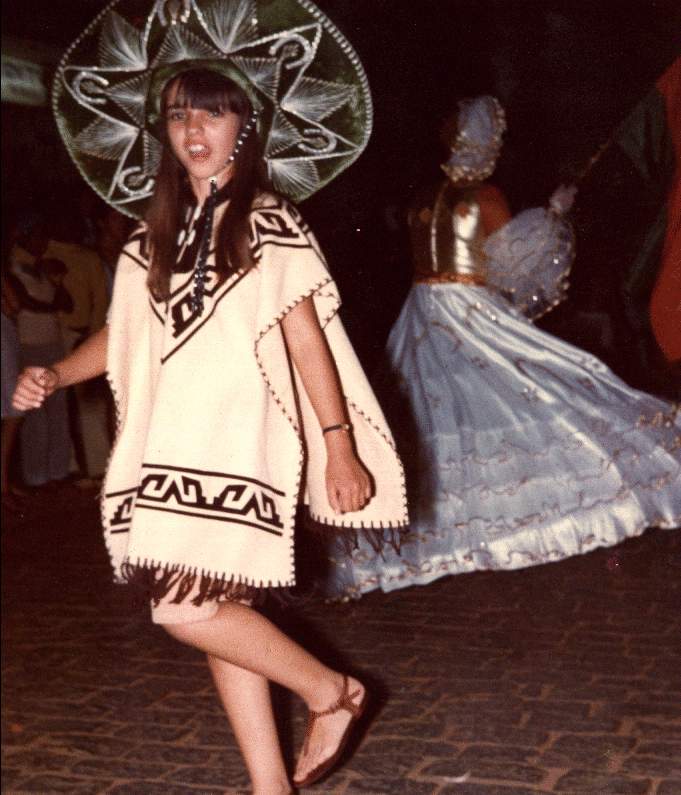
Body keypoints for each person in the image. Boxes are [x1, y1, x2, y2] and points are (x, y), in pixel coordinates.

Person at [14, 3, 406, 792]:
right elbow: (124, 340)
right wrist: (57, 373)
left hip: (240, 443)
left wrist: (338, 444)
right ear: (161, 129)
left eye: (215, 112)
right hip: (171, 446)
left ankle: (331, 690)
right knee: (224, 614)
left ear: (244, 129)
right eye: (179, 113)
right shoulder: (144, 238)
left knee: (183, 609)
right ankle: (269, 786)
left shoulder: (268, 221)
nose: (196, 129)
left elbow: (307, 341)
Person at [325, 96, 680, 600]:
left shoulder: (422, 198)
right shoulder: (486, 197)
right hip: (468, 308)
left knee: (436, 413)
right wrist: (552, 222)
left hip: (422, 310)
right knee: (535, 389)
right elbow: (515, 274)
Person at [9, 216, 73, 488]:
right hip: (29, 347)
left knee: (58, 412)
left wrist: (57, 282)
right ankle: (36, 477)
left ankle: (58, 473)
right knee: (36, 415)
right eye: (37, 236)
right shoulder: (13, 268)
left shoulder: (43, 270)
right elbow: (25, 304)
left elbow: (66, 303)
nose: (43, 242)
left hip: (53, 344)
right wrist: (51, 301)